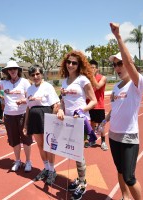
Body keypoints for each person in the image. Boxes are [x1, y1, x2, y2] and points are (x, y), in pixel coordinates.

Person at [102, 23, 143, 200]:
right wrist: (104, 122)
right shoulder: (116, 87)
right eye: (115, 64)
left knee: (129, 176)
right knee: (120, 171)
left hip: (129, 137)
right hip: (114, 136)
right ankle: (125, 197)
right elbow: (114, 110)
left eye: (121, 63)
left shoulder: (137, 83)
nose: (118, 67)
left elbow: (129, 63)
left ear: (129, 63)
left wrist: (118, 36)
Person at [56, 50, 97, 200]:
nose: (71, 65)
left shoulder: (83, 80)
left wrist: (81, 110)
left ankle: (82, 183)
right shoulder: (64, 81)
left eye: (74, 63)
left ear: (79, 65)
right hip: (67, 122)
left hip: (80, 121)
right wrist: (60, 109)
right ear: (65, 64)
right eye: (69, 62)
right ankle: (80, 179)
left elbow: (93, 101)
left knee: (78, 153)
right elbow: (63, 100)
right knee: (72, 151)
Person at [0, 61, 32, 172]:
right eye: (10, 69)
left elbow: (31, 98)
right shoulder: (4, 83)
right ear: (7, 71)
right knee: (14, 140)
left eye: (15, 69)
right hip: (9, 116)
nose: (12, 71)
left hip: (22, 115)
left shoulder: (25, 82)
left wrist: (23, 101)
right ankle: (17, 160)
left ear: (18, 70)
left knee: (26, 139)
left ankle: (28, 161)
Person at [24, 65, 60, 185]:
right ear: (30, 76)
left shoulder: (48, 86)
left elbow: (56, 104)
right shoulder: (29, 89)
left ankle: (52, 170)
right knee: (40, 145)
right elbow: (28, 108)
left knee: (49, 146)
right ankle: (46, 168)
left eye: (37, 74)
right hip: (34, 119)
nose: (35, 77)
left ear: (41, 74)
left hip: (46, 117)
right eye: (33, 75)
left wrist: (53, 121)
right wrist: (25, 124)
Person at [87, 59, 108, 150]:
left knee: (101, 125)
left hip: (99, 105)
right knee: (91, 124)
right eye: (90, 68)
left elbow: (98, 86)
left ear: (97, 69)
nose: (92, 70)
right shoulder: (87, 79)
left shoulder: (102, 78)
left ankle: (103, 142)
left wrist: (92, 77)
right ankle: (92, 140)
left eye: (93, 68)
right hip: (90, 105)